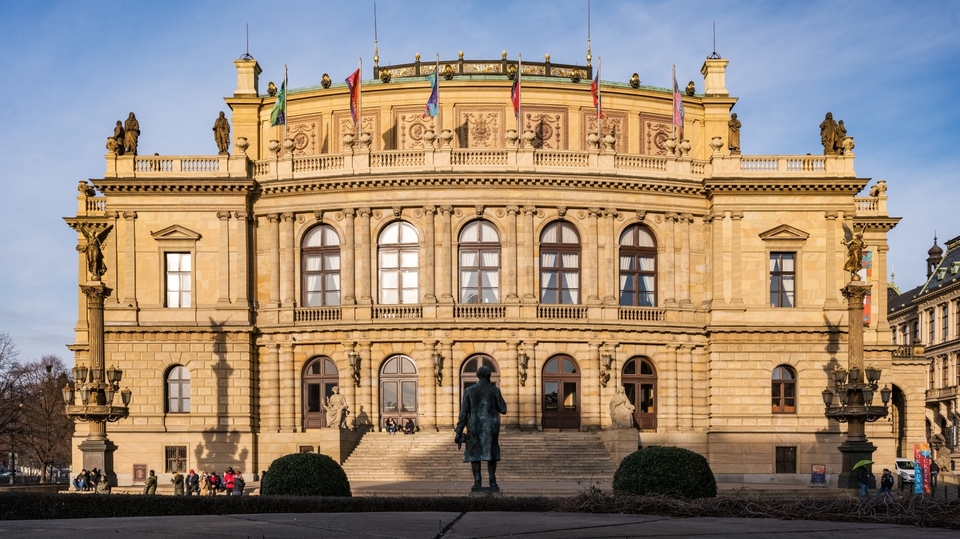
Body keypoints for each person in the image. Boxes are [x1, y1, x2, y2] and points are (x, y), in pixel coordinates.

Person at [455, 365, 507, 490]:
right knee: (491, 453)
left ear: (478, 376)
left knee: (475, 454)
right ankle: (492, 481)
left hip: (474, 426)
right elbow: (503, 409)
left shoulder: (469, 390)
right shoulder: (494, 390)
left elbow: (463, 413)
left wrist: (459, 432)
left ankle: (477, 481)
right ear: (489, 376)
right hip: (491, 426)